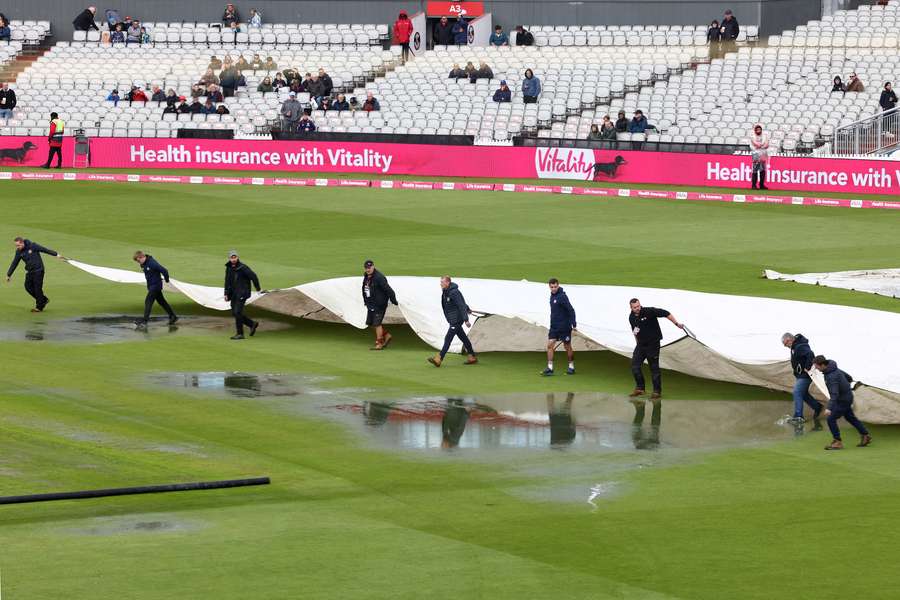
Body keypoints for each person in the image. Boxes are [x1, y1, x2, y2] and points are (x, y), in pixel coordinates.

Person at [628, 298, 683, 399]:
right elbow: (635, 331)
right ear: (631, 308)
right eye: (635, 307)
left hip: (653, 344)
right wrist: (637, 344)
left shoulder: (649, 311)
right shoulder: (631, 317)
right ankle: (640, 388)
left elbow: (666, 313)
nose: (637, 308)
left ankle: (657, 392)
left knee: (654, 368)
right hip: (641, 345)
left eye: (638, 306)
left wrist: (676, 323)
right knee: (635, 366)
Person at [815, 356, 872, 450]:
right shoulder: (833, 368)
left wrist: (829, 408)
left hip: (842, 400)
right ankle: (865, 436)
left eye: (817, 366)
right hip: (847, 397)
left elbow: (834, 393)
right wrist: (845, 386)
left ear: (822, 365)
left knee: (831, 419)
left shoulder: (831, 376)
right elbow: (849, 378)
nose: (816, 368)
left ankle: (837, 442)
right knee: (850, 417)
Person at [428, 276, 477, 367]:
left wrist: (466, 320)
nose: (440, 284)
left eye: (442, 282)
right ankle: (472, 356)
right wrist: (468, 308)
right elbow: (461, 303)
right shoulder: (446, 292)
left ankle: (439, 358)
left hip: (457, 320)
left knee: (448, 338)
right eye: (440, 282)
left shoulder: (454, 292)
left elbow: (461, 305)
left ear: (448, 283)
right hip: (452, 319)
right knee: (463, 338)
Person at [7, 237, 64, 312]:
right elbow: (15, 263)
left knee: (37, 289)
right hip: (30, 272)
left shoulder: (33, 246)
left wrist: (56, 254)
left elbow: (45, 250)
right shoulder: (19, 252)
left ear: (22, 242)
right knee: (28, 287)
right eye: (16, 246)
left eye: (18, 245)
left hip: (39, 270)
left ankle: (39, 307)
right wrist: (9, 274)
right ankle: (43, 299)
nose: (17, 247)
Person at [781, 333, 824, 423]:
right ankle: (817, 406)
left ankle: (799, 416)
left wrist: (807, 367)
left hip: (805, 375)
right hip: (801, 375)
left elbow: (810, 354)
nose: (785, 346)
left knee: (797, 392)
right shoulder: (795, 345)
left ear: (789, 340)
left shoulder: (799, 346)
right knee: (803, 394)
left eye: (785, 344)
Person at [133, 251, 177, 328]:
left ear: (142, 257)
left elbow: (164, 270)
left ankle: (144, 321)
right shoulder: (143, 264)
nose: (138, 262)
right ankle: (173, 316)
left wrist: (166, 280)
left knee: (148, 301)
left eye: (138, 260)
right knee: (162, 302)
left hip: (156, 286)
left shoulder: (152, 263)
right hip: (152, 286)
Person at [542, 278, 577, 376]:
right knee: (549, 345)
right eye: (551, 287)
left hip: (564, 327)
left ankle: (571, 367)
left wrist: (573, 324)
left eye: (555, 287)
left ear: (558, 285)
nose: (553, 289)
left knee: (567, 346)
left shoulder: (562, 297)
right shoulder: (552, 297)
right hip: (554, 327)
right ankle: (550, 368)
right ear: (549, 286)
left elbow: (571, 310)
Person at [362, 260, 398, 350]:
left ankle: (379, 343)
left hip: (379, 304)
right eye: (366, 268)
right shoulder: (366, 277)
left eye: (369, 267)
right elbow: (365, 289)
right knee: (370, 323)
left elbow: (388, 290)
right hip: (370, 304)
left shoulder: (379, 277)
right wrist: (366, 301)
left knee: (377, 324)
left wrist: (394, 300)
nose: (368, 269)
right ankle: (386, 335)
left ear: (373, 266)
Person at [224, 250, 260, 340]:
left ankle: (240, 333)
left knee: (237, 312)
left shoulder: (243, 267)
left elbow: (253, 276)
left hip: (242, 293)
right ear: (229, 258)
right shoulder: (228, 268)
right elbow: (227, 281)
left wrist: (258, 288)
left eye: (235, 257)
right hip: (234, 294)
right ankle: (252, 324)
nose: (233, 259)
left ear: (238, 257)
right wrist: (226, 293)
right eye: (232, 257)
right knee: (234, 313)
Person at [749, 123, 770, 190]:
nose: (759, 131)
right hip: (756, 154)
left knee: (763, 169)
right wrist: (761, 146)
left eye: (760, 130)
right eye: (757, 130)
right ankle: (753, 185)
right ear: (755, 130)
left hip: (763, 154)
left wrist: (761, 146)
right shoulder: (752, 136)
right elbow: (755, 144)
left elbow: (767, 145)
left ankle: (761, 185)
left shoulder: (764, 136)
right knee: (755, 169)